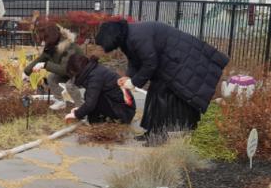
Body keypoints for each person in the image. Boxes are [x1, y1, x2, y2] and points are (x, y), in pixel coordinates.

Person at [95, 20, 229, 142]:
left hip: (179, 59)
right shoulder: (127, 37)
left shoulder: (137, 37)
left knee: (161, 95)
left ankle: (158, 136)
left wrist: (134, 82)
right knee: (156, 94)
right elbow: (134, 61)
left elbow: (150, 64)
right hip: (168, 59)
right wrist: (128, 77)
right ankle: (153, 133)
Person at [24, 23, 83, 110]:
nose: (43, 42)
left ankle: (81, 107)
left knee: (70, 85)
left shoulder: (69, 48)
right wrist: (26, 72)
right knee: (51, 78)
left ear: (50, 37)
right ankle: (60, 101)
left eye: (44, 39)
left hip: (81, 73)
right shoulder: (51, 47)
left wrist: (44, 65)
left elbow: (64, 70)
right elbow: (41, 59)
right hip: (69, 72)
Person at [63, 54, 135, 124]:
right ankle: (96, 121)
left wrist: (76, 114)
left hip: (124, 112)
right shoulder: (94, 70)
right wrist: (80, 110)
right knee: (89, 95)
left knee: (93, 99)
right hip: (121, 107)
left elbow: (90, 104)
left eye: (73, 74)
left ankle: (104, 121)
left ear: (77, 70)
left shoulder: (95, 76)